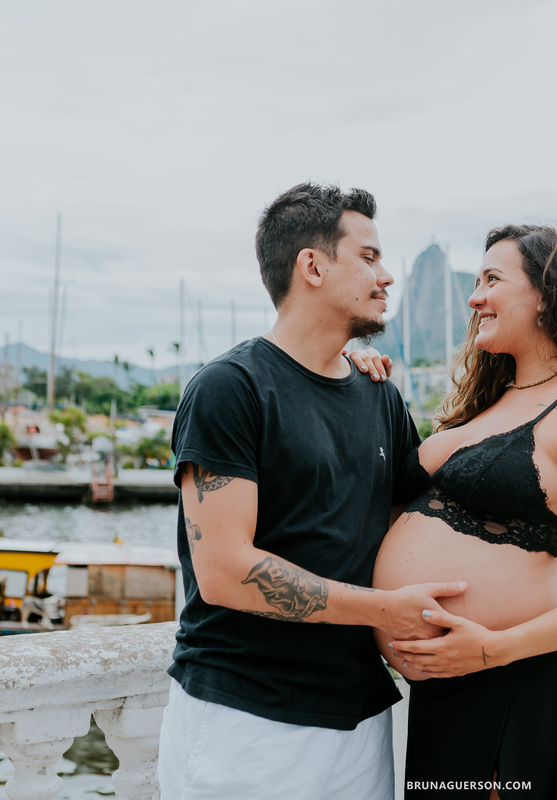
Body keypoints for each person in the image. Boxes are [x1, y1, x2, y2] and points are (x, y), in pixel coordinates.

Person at [157, 182, 472, 800]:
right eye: (369, 257)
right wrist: (385, 610)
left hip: (360, 722)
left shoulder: (378, 393)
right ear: (312, 265)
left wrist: (523, 570)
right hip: (247, 723)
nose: (386, 277)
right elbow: (224, 570)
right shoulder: (231, 388)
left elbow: (417, 522)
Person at [365, 224, 557, 799]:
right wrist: (360, 379)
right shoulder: (488, 404)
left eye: (491, 280)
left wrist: (491, 647)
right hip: (445, 688)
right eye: (476, 282)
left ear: (546, 293)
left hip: (514, 684)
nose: (474, 298)